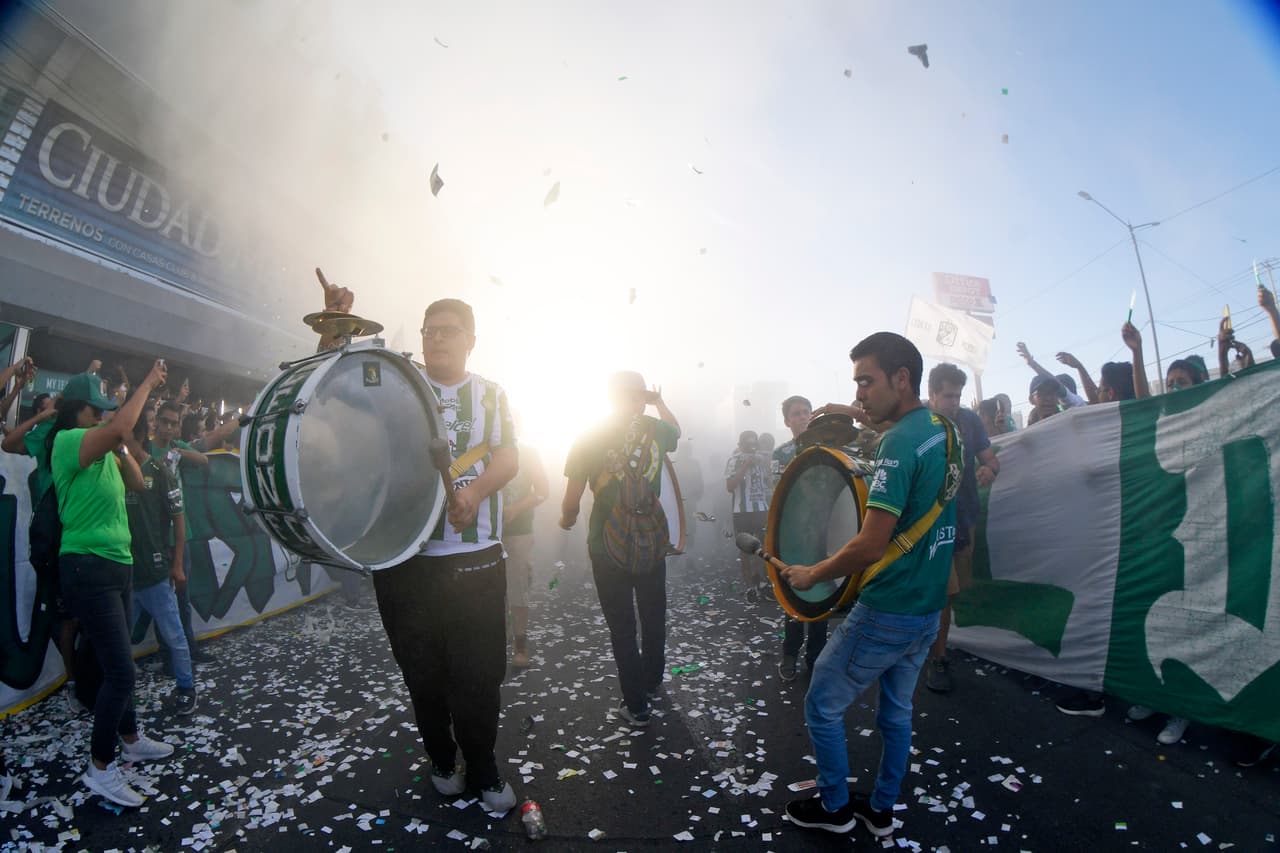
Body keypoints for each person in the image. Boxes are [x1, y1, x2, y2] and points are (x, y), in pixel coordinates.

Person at [315, 275, 519, 812]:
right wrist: (333, 331)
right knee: (423, 674)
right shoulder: (397, 384)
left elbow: (507, 456)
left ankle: (484, 765)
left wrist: (473, 494)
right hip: (405, 562)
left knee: (478, 675)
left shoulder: (492, 395)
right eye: (430, 331)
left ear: (471, 339)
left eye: (449, 331)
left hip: (473, 559)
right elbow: (332, 394)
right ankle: (441, 758)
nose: (436, 339)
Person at [780, 332, 957, 837]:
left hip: (889, 608)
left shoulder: (899, 444)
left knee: (822, 702)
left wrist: (811, 573)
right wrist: (860, 415)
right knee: (897, 714)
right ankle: (880, 810)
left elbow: (869, 544)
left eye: (866, 382)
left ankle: (835, 807)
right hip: (927, 609)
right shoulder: (944, 430)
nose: (858, 395)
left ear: (901, 379)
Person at [51, 365, 177, 807]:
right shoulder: (68, 442)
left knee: (117, 666)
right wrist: (146, 384)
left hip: (116, 566)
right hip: (87, 566)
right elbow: (122, 423)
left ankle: (130, 737)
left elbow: (139, 482)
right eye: (97, 411)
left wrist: (121, 446)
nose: (103, 417)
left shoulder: (104, 452)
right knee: (121, 670)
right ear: (78, 411)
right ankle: (100, 768)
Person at [561, 371, 680, 728]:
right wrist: (658, 402)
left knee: (622, 626)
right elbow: (675, 429)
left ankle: (637, 706)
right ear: (641, 398)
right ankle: (653, 679)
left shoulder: (588, 434)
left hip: (605, 541)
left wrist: (566, 519)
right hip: (650, 538)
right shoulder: (656, 429)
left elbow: (572, 497)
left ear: (610, 396)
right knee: (653, 613)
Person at [1, 388, 81, 712]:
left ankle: (88, 677)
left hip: (82, 533)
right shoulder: (46, 432)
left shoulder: (84, 434)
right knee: (66, 617)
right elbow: (10, 443)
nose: (56, 409)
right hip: (56, 539)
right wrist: (40, 418)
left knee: (87, 615)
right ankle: (75, 683)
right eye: (51, 406)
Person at [923, 364, 998, 693]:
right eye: (948, 395)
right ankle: (937, 658)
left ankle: (931, 646)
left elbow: (990, 459)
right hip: (928, 524)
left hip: (964, 518)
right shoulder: (918, 423)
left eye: (958, 395)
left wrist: (990, 471)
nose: (954, 402)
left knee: (953, 593)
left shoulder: (969, 420)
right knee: (941, 594)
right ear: (932, 395)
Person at [122, 416, 197, 716]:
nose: (117, 442)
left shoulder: (160, 472)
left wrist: (176, 564)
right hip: (125, 571)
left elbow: (178, 520)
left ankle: (187, 688)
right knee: (123, 637)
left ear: (138, 438)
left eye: (122, 436)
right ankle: (116, 689)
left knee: (174, 634)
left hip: (154, 572)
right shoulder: (115, 468)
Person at [150, 402, 213, 669]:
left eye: (173, 423)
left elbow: (204, 460)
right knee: (160, 600)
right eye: (164, 421)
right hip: (154, 535)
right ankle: (168, 655)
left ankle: (189, 648)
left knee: (182, 597)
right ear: (156, 423)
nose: (168, 427)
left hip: (180, 535)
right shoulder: (146, 447)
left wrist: (179, 453)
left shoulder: (177, 445)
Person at [771, 395, 828, 683]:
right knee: (793, 598)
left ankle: (816, 656)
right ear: (787, 421)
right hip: (791, 536)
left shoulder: (828, 450)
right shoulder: (781, 455)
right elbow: (777, 498)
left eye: (807, 411)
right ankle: (790, 653)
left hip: (823, 536)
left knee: (822, 597)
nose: (803, 417)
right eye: (796, 413)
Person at [501, 431, 549, 668]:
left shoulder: (528, 454)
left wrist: (516, 509)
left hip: (518, 532)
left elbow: (542, 490)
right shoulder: (480, 452)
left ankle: (520, 645)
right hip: (484, 533)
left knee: (518, 588)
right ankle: (498, 639)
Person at [725, 430, 771, 602]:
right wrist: (745, 466)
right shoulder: (734, 460)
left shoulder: (762, 459)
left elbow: (768, 482)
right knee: (745, 550)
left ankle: (764, 583)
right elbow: (730, 486)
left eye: (754, 443)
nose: (751, 447)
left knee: (764, 548)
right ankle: (750, 586)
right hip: (742, 512)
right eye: (747, 443)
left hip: (761, 509)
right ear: (740, 445)